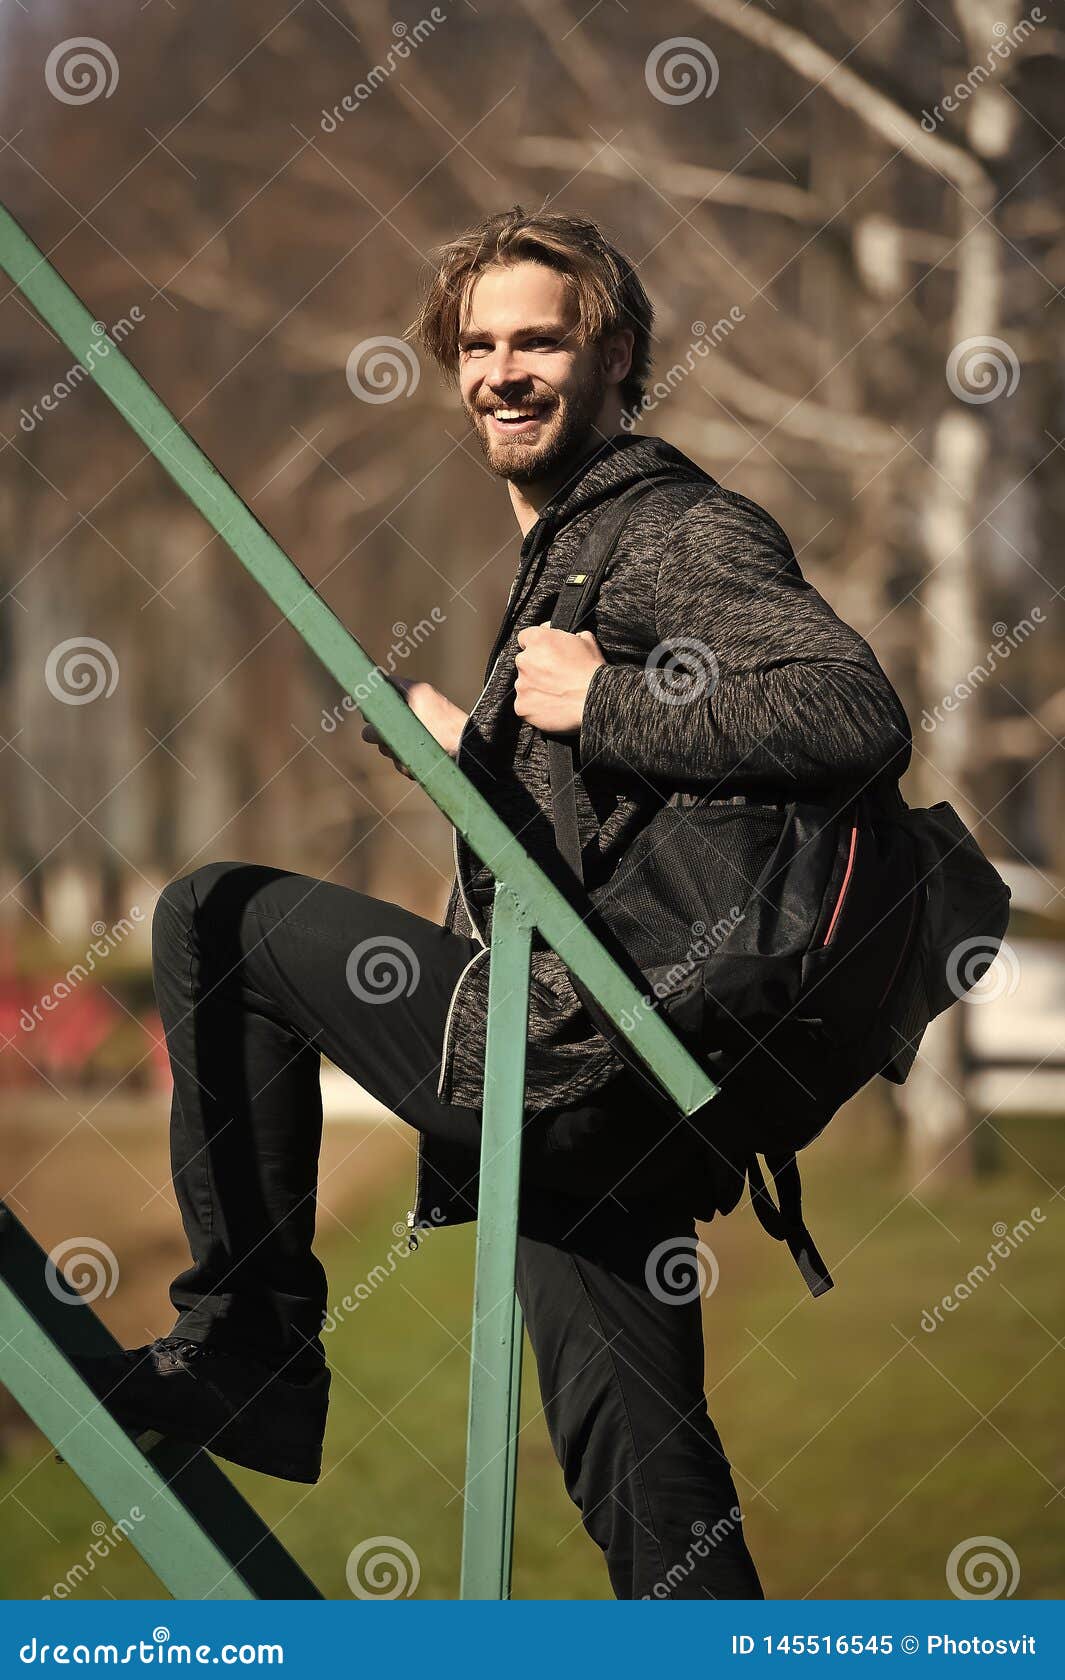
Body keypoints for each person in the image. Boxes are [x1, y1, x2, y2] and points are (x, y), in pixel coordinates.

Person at [76, 207, 911, 1600]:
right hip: (626, 1103)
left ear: (617, 353)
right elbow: (606, 826)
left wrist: (608, 700)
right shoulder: (566, 548)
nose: (501, 370)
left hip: (580, 1049)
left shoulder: (667, 525)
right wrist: (472, 748)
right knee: (640, 1470)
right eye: (476, 344)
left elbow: (853, 706)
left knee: (219, 920)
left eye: (539, 339)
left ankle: (256, 1345)